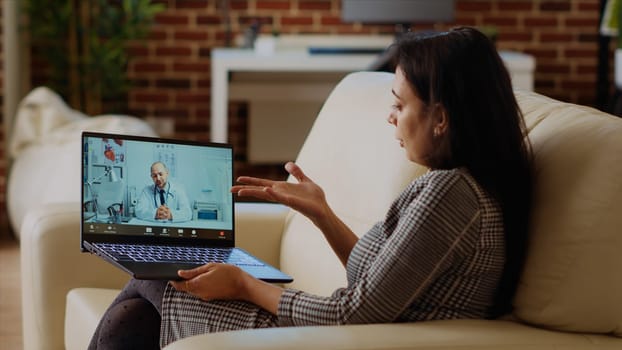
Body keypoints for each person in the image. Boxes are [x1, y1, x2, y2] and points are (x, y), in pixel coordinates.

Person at [88, 27, 533, 349]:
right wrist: (322, 212)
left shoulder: (448, 195)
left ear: (441, 117)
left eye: (400, 104)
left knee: (156, 280)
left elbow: (352, 311)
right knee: (147, 294)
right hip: (359, 330)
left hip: (337, 336)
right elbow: (378, 284)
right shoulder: (469, 189)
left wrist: (243, 284)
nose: (390, 117)